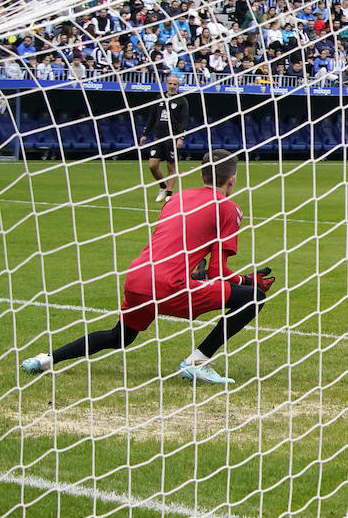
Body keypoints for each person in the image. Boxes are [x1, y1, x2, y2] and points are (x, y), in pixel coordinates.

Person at [21, 150, 275, 385]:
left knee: (119, 337)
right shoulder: (229, 208)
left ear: (201, 174)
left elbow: (176, 247)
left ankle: (45, 360)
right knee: (254, 298)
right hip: (168, 286)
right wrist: (248, 281)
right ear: (232, 180)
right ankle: (196, 362)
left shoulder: (176, 200)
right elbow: (216, 272)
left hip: (137, 278)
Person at [139, 74, 190, 203]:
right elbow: (152, 117)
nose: (172, 86)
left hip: (172, 137)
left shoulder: (182, 100)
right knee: (152, 165)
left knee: (171, 166)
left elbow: (184, 121)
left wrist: (181, 137)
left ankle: (169, 193)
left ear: (178, 86)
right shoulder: (159, 98)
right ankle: (162, 186)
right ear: (166, 84)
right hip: (158, 137)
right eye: (170, 84)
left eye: (175, 84)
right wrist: (145, 134)